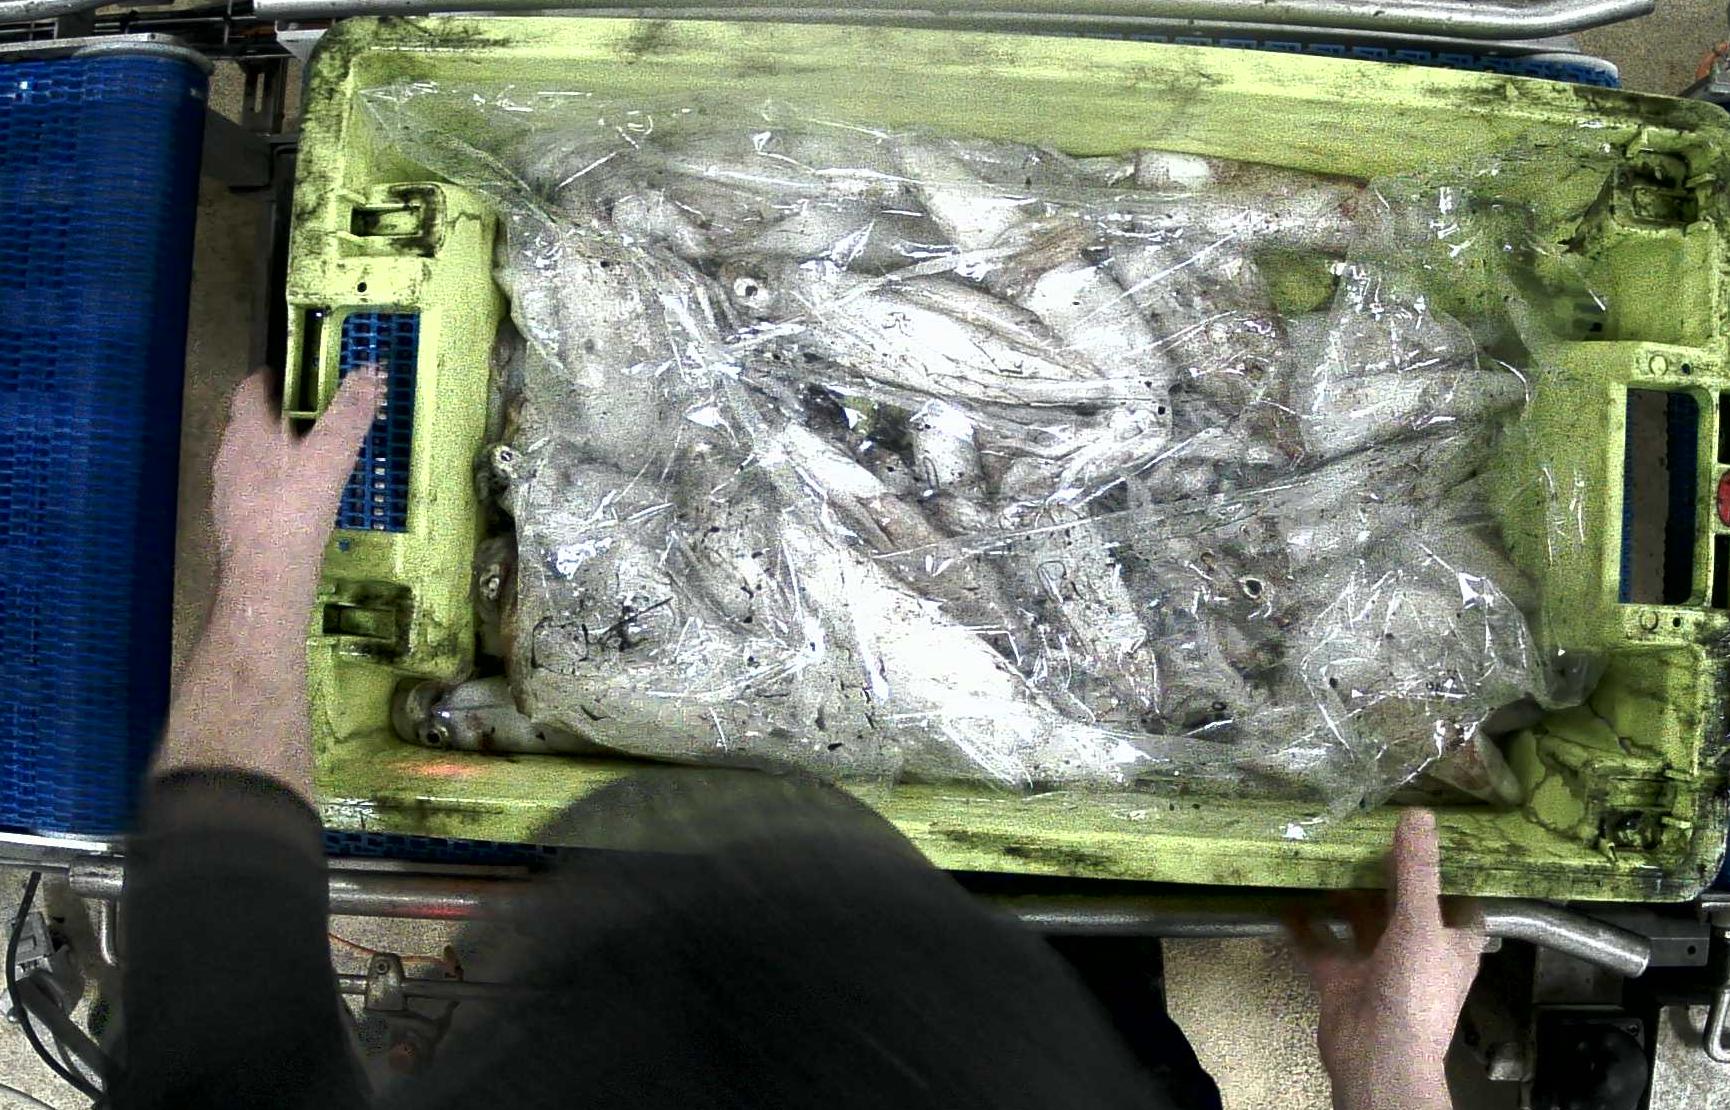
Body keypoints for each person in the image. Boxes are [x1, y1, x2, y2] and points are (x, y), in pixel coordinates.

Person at [109, 369, 1484, 1110]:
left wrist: (270, 559)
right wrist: (1386, 1063)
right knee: (1063, 912)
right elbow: (221, 870)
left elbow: (221, 868)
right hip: (1054, 1040)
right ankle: (1032, 946)